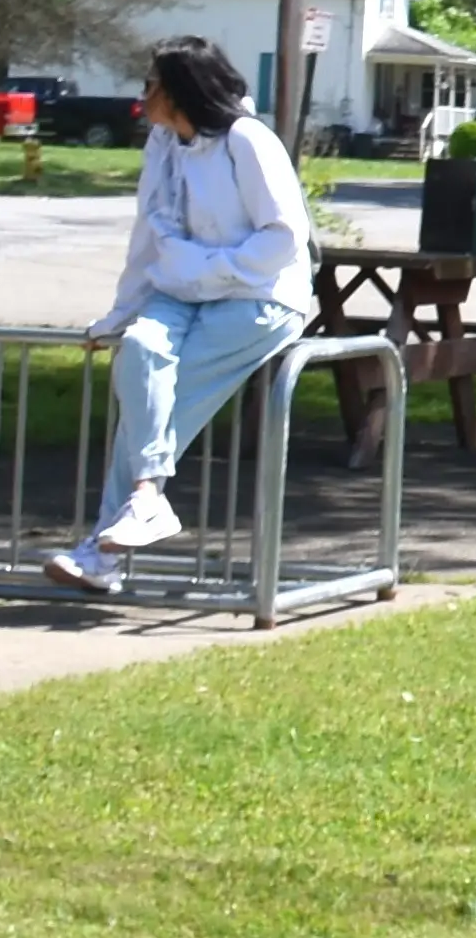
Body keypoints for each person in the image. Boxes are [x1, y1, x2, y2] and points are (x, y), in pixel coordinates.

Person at [43, 36, 317, 597]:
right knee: (140, 357)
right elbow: (149, 235)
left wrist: (212, 267)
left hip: (259, 296)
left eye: (152, 85)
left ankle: (103, 549)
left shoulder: (248, 140)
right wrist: (121, 313)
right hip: (180, 289)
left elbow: (285, 237)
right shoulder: (163, 145)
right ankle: (144, 502)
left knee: (164, 400)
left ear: (182, 91)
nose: (142, 95)